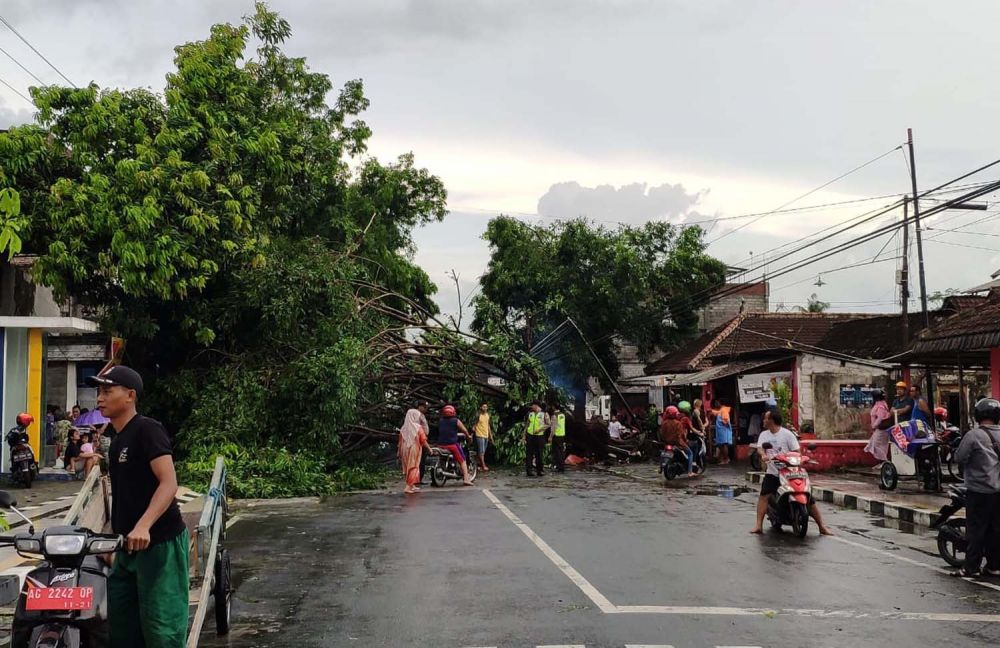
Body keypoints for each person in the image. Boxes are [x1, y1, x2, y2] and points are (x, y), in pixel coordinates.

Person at [89, 365, 189, 647]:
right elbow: (123, 497)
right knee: (122, 629)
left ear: (130, 395)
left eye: (107, 391)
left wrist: (144, 525)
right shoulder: (116, 439)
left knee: (162, 632)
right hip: (126, 549)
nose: (100, 398)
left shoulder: (148, 429)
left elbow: (168, 483)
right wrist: (110, 538)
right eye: (99, 391)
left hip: (159, 546)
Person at [750, 410, 833, 536]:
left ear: (771, 420)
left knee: (809, 498)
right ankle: (758, 525)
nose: (763, 421)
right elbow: (760, 448)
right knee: (764, 496)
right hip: (773, 472)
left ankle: (822, 526)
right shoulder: (764, 435)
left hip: (790, 472)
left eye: (765, 419)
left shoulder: (787, 435)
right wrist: (763, 455)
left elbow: (796, 451)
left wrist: (800, 459)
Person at [952, 398, 1000, 577]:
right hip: (998, 491)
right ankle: (994, 566)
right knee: (995, 529)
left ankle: (971, 567)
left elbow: (959, 457)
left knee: (976, 530)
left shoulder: (974, 435)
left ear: (978, 415)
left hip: (978, 491)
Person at [399, 402, 433, 494]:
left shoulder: (403, 428)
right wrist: (429, 449)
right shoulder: (417, 427)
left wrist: (398, 452)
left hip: (404, 449)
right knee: (413, 466)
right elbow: (423, 440)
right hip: (414, 448)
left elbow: (400, 442)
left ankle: (412, 485)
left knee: (407, 467)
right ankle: (408, 487)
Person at [437, 404, 475, 486]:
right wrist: (468, 436)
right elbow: (464, 430)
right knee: (463, 460)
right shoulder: (455, 420)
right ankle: (466, 479)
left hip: (440, 445)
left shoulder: (441, 421)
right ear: (453, 412)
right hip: (452, 445)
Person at [661, 406, 695, 477]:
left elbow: (662, 433)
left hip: (667, 442)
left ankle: (660, 468)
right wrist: (685, 440)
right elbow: (681, 435)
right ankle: (690, 472)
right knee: (690, 453)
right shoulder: (678, 423)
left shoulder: (664, 423)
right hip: (678, 443)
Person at [864, 388, 892, 466]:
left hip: (881, 429)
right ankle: (882, 463)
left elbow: (880, 417)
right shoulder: (880, 404)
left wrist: (874, 426)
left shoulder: (880, 406)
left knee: (878, 445)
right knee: (877, 444)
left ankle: (884, 462)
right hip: (879, 429)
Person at [525, 401, 549, 477]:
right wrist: (524, 436)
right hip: (530, 435)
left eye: (532, 405)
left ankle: (540, 470)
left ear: (536, 406)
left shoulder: (544, 414)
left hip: (539, 436)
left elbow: (548, 424)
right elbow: (527, 424)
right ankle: (529, 471)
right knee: (529, 454)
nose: (531, 407)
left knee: (539, 454)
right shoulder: (530, 414)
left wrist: (539, 430)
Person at [472, 403, 493, 472]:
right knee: (481, 452)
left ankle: (478, 465)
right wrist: (473, 431)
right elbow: (474, 426)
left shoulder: (487, 415)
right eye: (484, 407)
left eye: (486, 407)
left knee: (482, 451)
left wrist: (490, 436)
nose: (485, 408)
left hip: (486, 435)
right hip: (479, 435)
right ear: (481, 407)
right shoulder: (478, 415)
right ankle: (483, 466)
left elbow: (488, 426)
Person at [712, 399, 733, 465]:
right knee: (721, 445)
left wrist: (723, 425)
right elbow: (716, 413)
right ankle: (724, 459)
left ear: (720, 403)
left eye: (716, 402)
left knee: (724, 445)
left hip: (724, 430)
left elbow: (726, 420)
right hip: (721, 431)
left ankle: (726, 459)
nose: (715, 404)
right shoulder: (721, 410)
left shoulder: (724, 410)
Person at [549, 405, 567, 473]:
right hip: (562, 435)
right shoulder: (562, 415)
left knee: (557, 452)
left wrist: (550, 436)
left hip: (556, 435)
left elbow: (554, 427)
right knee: (561, 452)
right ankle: (562, 467)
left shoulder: (554, 416)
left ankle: (559, 467)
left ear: (554, 408)